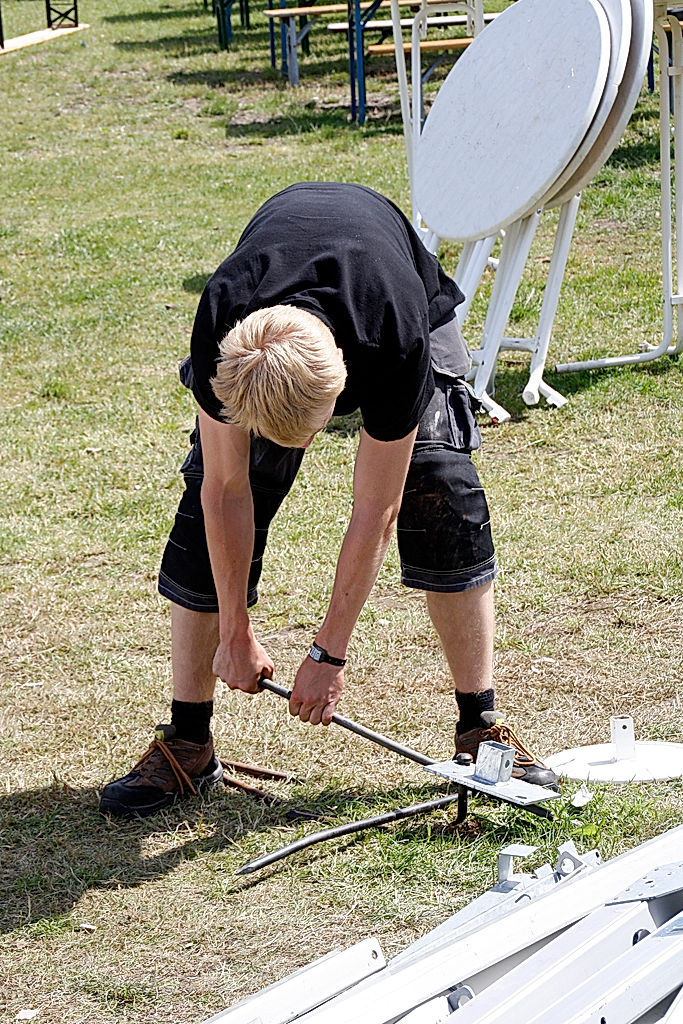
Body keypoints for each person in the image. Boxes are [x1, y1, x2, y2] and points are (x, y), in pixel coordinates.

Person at [99, 182, 558, 818]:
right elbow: (225, 491)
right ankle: (188, 741)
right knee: (209, 494)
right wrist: (235, 631)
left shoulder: (393, 337)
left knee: (441, 491)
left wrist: (328, 653)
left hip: (393, 282)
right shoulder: (224, 327)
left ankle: (480, 726)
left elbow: (377, 509)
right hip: (275, 311)